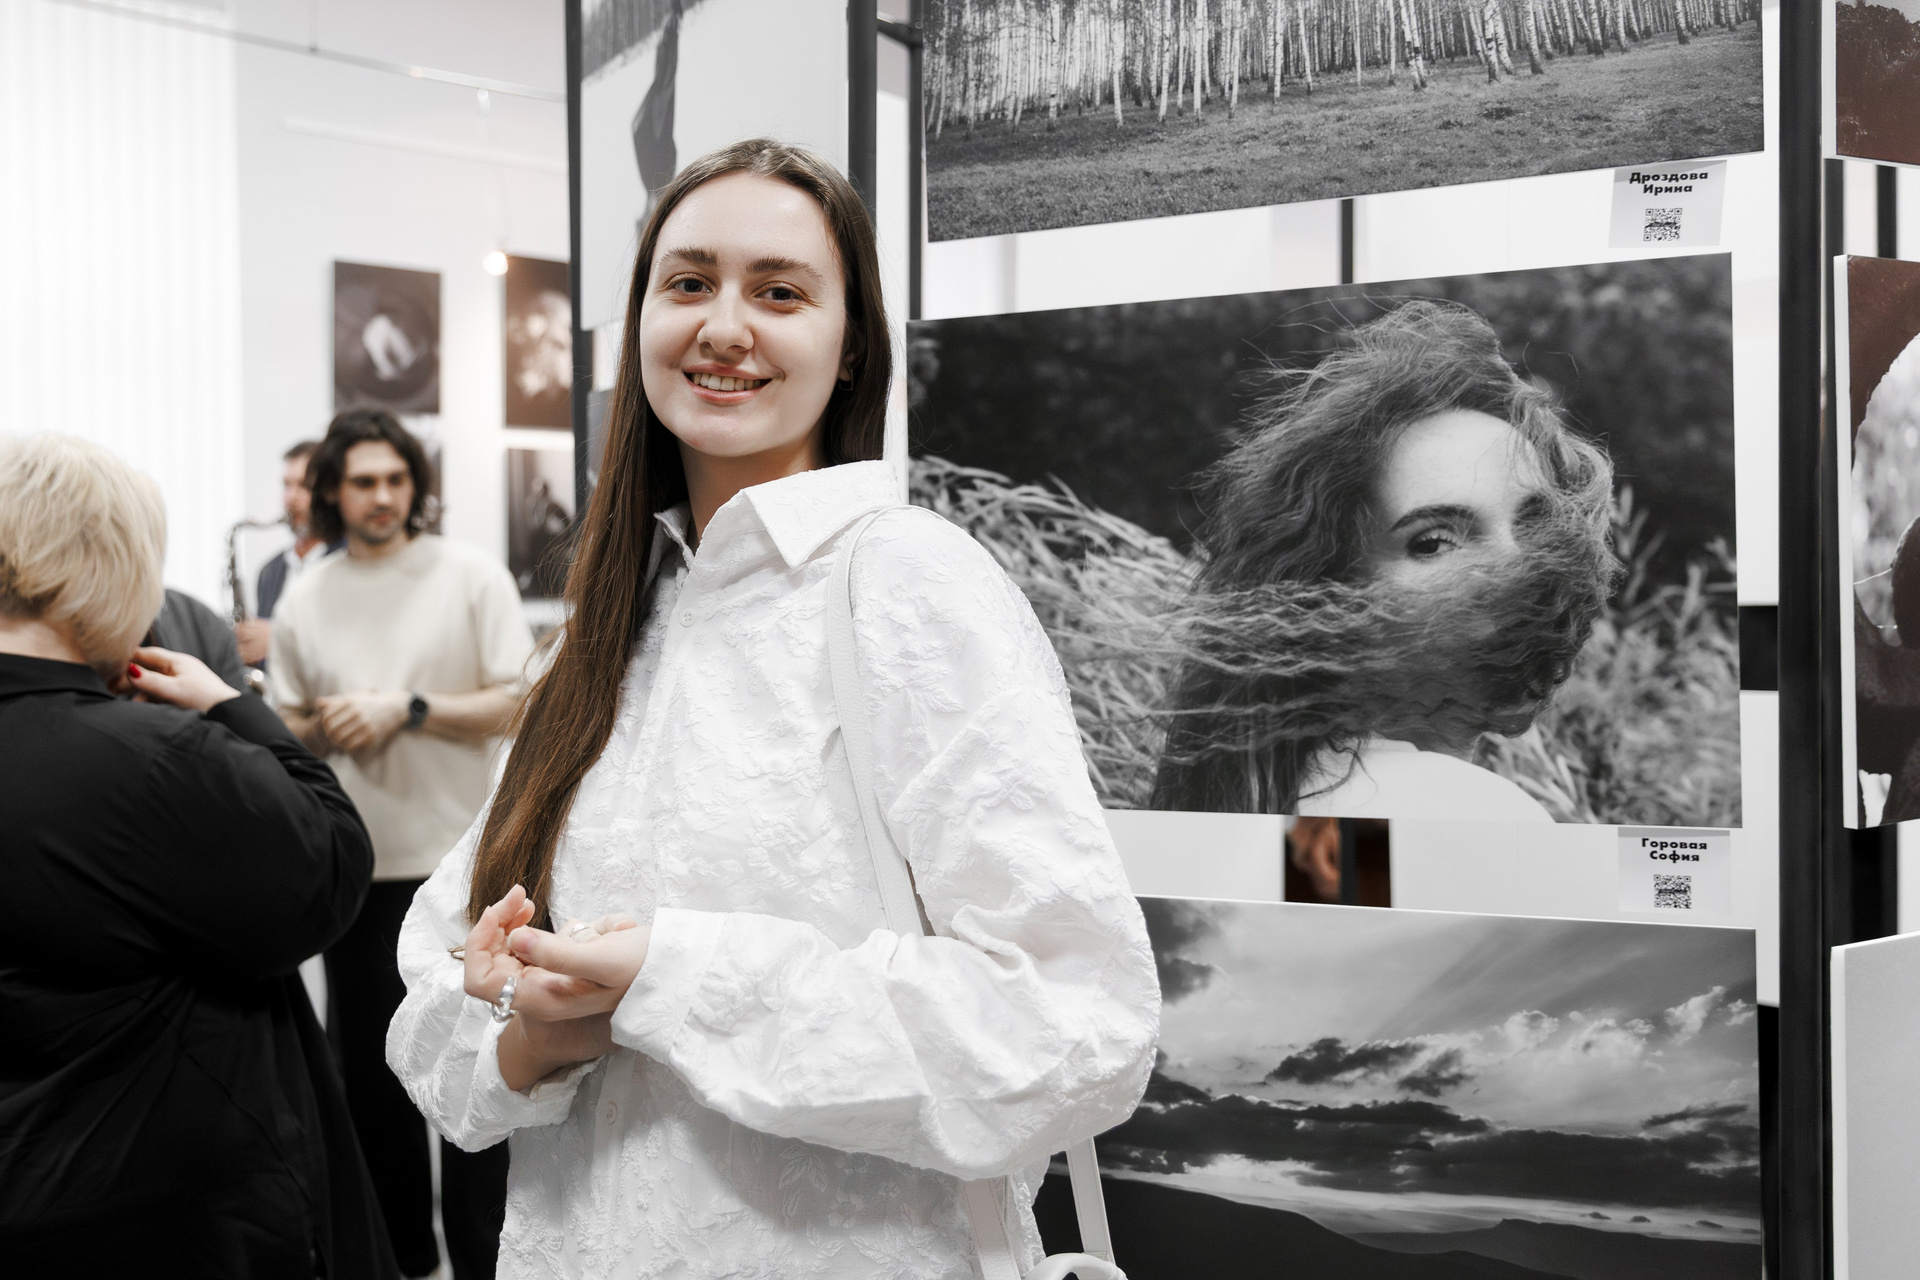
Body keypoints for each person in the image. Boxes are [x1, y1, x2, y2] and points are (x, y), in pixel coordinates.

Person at [387, 139, 1159, 1279]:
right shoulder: (601, 640)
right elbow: (434, 1011)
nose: (724, 326)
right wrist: (534, 1037)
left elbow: (1078, 1023)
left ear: (851, 350)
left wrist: (676, 977)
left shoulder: (908, 584)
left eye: (780, 292)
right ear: (641, 322)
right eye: (688, 283)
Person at [0, 433, 393, 1278]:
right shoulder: (155, 760)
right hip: (159, 1213)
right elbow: (329, 862)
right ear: (109, 567)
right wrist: (230, 708)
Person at [1150, 301, 1620, 822]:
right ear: (1328, 594)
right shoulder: (1467, 812)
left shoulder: (1292, 795)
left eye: (1536, 526)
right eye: (1434, 541)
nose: (1519, 563)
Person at [270, 410, 534, 1279]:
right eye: (363, 482)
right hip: (358, 870)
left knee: (477, 1072)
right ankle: (400, 1261)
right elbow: (284, 722)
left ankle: (485, 1263)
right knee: (374, 1083)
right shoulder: (306, 596)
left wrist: (408, 708)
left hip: (465, 869)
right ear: (333, 492)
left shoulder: (469, 576)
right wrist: (330, 723)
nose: (382, 496)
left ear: (415, 485)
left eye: (396, 479)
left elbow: (519, 700)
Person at [236, 438, 327, 668]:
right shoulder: (270, 570)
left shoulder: (349, 561)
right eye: (287, 485)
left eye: (305, 486)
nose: (291, 498)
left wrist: (277, 641)